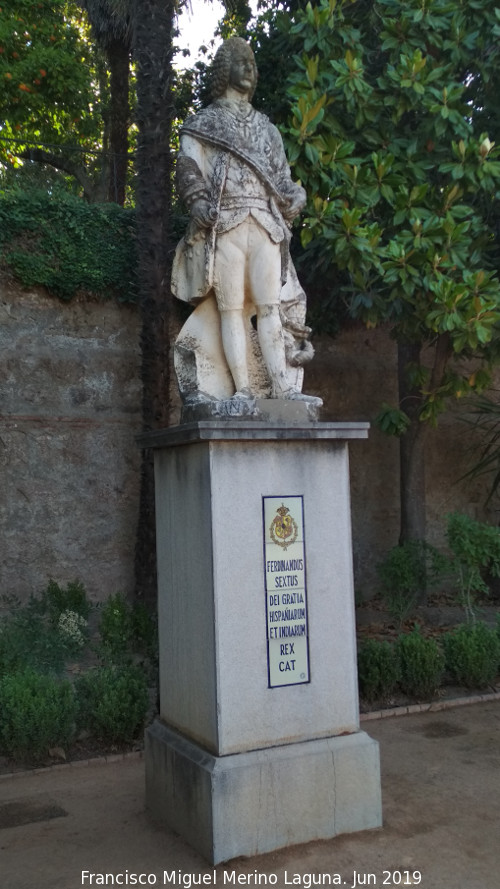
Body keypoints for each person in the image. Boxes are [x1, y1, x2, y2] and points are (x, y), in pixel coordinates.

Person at [172, 36, 321, 407]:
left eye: (253, 64)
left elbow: (282, 178)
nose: (250, 70)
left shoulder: (267, 129)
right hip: (225, 224)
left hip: (266, 224)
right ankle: (242, 391)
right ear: (226, 70)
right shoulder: (202, 123)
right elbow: (188, 167)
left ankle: (283, 390)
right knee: (232, 310)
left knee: (270, 306)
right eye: (243, 63)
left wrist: (296, 194)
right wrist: (198, 202)